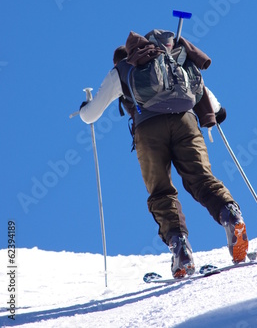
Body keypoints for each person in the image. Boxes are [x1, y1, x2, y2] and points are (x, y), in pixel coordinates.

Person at [79, 29, 248, 278]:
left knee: (161, 192)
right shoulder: (170, 59)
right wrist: (217, 113)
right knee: (201, 178)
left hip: (148, 130)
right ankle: (230, 214)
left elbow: (91, 115)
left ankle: (181, 251)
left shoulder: (122, 69)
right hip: (185, 120)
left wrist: (84, 108)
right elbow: (205, 94)